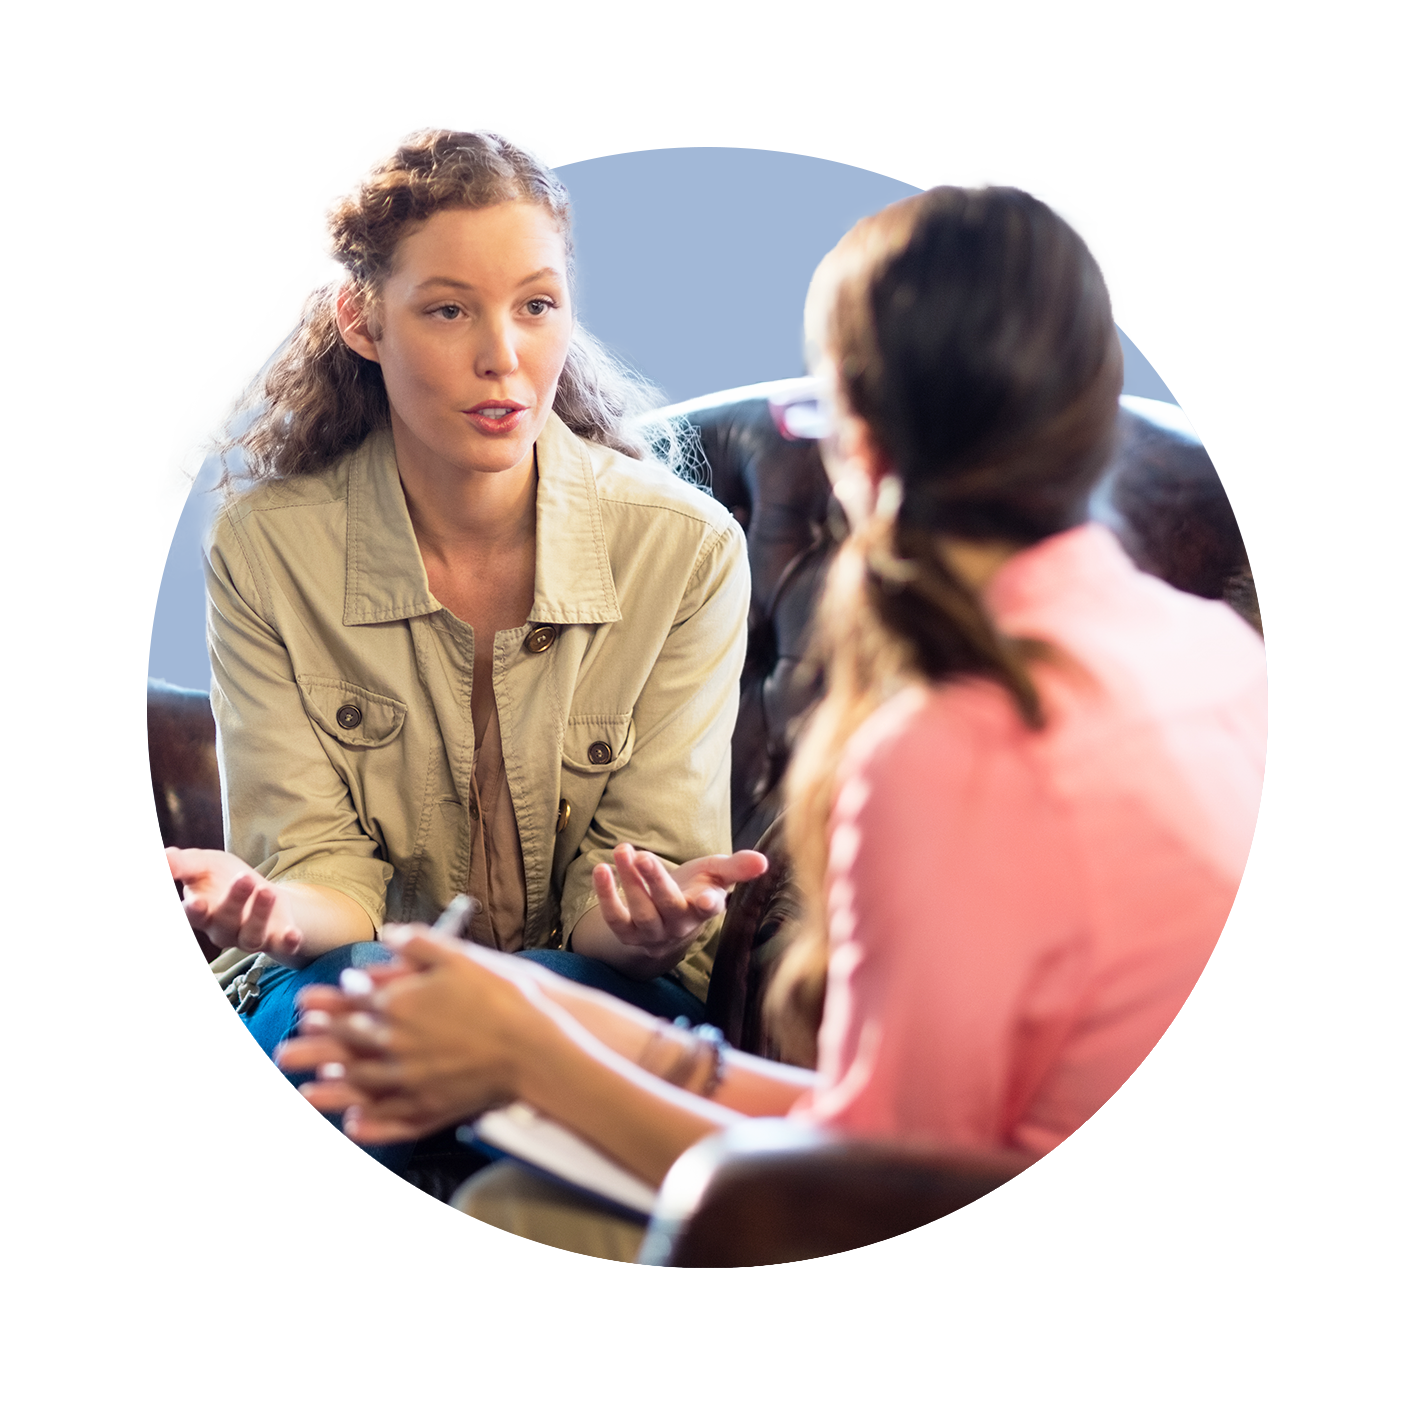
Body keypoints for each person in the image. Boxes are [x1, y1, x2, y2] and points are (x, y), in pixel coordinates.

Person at [275, 175, 1267, 1260]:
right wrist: (539, 1014)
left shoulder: (951, 748)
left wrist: (531, 1059)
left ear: (860, 443)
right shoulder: (1217, 652)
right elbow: (889, 1124)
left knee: (510, 1210)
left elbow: (871, 1187)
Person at [163, 128, 768, 1093]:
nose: (503, 357)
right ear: (361, 320)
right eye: (448, 310)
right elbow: (321, 875)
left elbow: (618, 911)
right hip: (348, 972)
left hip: (596, 984)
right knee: (365, 1009)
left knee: (521, 1029)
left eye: (537, 306)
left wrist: (649, 921)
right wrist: (274, 912)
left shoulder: (685, 550)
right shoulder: (266, 547)